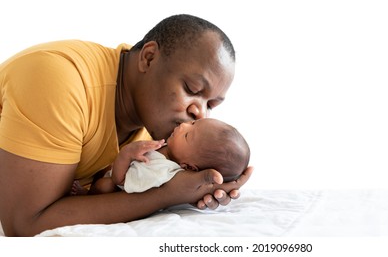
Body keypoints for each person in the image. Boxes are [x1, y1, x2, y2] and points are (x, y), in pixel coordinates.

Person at [0, 14, 253, 236]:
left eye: (211, 105)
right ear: (149, 58)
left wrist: (197, 186)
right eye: (192, 89)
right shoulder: (60, 81)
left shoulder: (157, 132)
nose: (199, 113)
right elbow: (24, 225)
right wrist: (168, 194)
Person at [80, 118, 250, 195]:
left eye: (187, 136)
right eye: (192, 123)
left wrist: (127, 153)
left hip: (116, 186)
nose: (183, 125)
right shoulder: (170, 149)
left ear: (188, 166)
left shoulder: (162, 170)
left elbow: (119, 180)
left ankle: (84, 195)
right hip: (114, 168)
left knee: (105, 186)